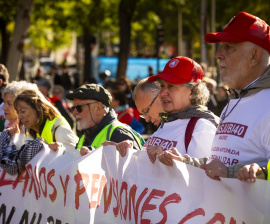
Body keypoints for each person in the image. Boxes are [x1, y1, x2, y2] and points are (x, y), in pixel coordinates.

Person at [159, 12, 270, 181]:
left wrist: (247, 173)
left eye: (229, 47)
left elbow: (231, 170)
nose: (218, 54)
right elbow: (219, 164)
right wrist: (186, 162)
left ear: (254, 56)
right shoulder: (236, 100)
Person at [144, 56, 219, 163]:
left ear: (193, 92)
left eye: (171, 86)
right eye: (162, 85)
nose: (162, 93)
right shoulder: (167, 121)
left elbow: (206, 175)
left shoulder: (200, 127)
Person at [65, 84, 144, 155]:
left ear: (98, 107)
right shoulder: (86, 133)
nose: (75, 112)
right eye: (73, 107)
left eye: (79, 107)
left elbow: (136, 168)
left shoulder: (119, 133)